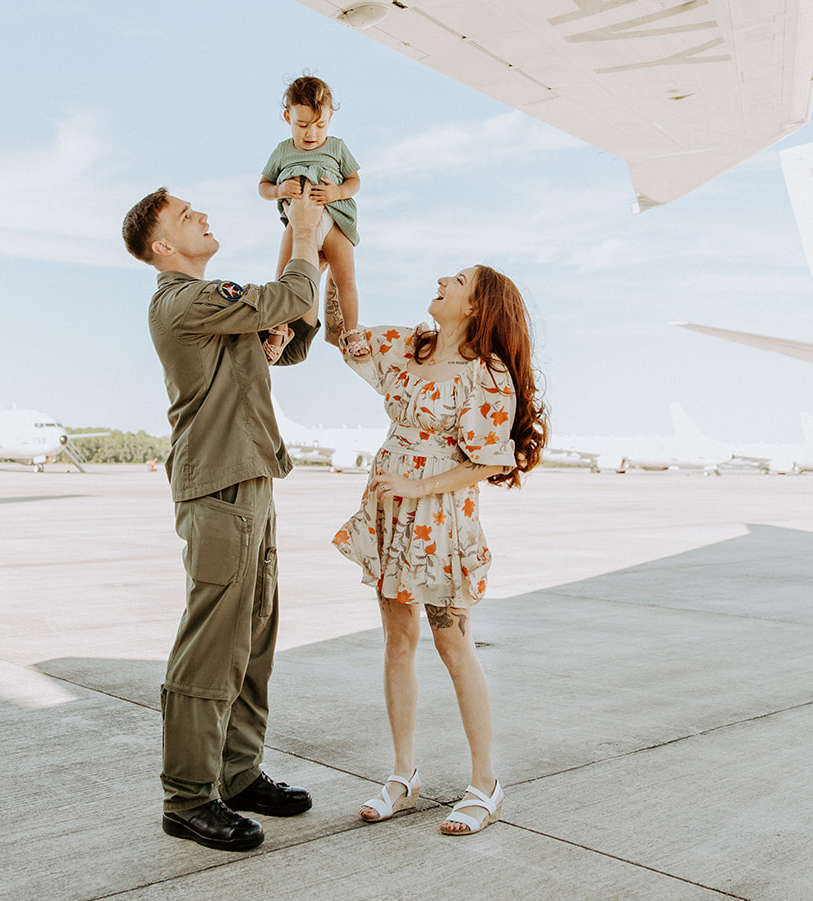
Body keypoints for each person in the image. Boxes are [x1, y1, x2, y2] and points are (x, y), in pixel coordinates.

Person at [121, 184, 323, 852]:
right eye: (186, 215)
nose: (201, 215)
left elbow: (287, 335)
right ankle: (186, 797)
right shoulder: (184, 301)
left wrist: (283, 321)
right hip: (220, 489)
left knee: (254, 639)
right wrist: (302, 228)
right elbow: (284, 295)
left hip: (251, 482)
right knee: (213, 644)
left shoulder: (216, 309)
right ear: (163, 246)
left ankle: (236, 774)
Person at [328, 266, 547, 836]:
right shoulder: (409, 344)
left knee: (453, 644)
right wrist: (329, 253)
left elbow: (494, 459)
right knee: (397, 642)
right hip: (390, 510)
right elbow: (339, 333)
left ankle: (485, 783)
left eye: (458, 279)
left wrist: (420, 487)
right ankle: (404, 774)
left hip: (440, 519)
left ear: (477, 306)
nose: (441, 280)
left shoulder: (487, 374)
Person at [258, 75, 368, 359]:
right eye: (302, 125)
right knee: (283, 278)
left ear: (330, 118)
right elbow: (263, 187)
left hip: (334, 224)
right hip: (296, 225)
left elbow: (355, 181)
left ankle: (352, 330)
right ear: (288, 117)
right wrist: (279, 189)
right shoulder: (283, 151)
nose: (311, 134)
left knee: (346, 280)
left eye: (320, 125)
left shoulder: (337, 147)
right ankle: (280, 328)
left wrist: (339, 192)